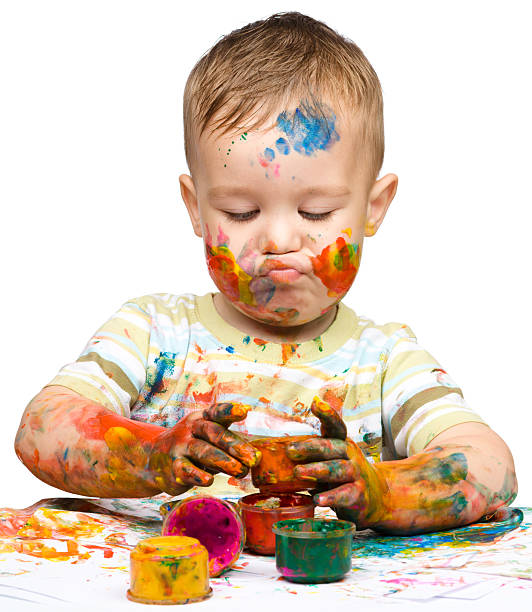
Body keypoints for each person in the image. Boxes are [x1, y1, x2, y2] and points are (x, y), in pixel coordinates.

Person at [14, 12, 516, 535]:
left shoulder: (386, 360)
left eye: (317, 213)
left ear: (375, 207)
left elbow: (491, 466)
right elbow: (40, 429)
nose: (278, 242)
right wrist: (155, 455)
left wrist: (383, 488)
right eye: (240, 213)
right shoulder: (154, 333)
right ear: (196, 208)